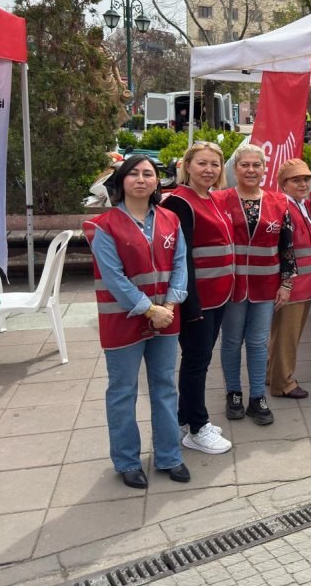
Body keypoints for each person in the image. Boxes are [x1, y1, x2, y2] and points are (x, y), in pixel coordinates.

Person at [83, 155, 190, 489]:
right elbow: (113, 278)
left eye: (148, 174)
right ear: (122, 181)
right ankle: (127, 461)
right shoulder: (104, 225)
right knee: (123, 391)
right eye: (134, 174)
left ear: (157, 181)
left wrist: (170, 304)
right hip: (123, 319)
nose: (141, 179)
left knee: (164, 387)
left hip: (166, 317)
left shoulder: (171, 219)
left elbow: (181, 264)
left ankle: (169, 456)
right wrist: (149, 310)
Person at [213, 145, 294, 424]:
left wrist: (286, 283)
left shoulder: (279, 202)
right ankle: (233, 393)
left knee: (259, 342)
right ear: (235, 169)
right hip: (231, 286)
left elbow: (287, 246)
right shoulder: (219, 200)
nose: (250, 170)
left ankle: (257, 396)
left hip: (266, 285)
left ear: (264, 169)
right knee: (232, 341)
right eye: (244, 165)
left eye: (256, 165)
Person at [163, 141, 235, 454]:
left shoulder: (212, 198)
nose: (209, 170)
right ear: (188, 166)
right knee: (196, 362)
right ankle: (197, 427)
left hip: (218, 295)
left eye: (215, 164)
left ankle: (185, 416)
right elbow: (182, 258)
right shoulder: (180, 202)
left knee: (200, 360)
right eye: (202, 163)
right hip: (198, 299)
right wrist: (190, 305)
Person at [268, 159, 311, 394]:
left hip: (305, 284)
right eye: (296, 180)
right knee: (286, 338)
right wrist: (285, 283)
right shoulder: (282, 207)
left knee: (284, 335)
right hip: (292, 286)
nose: (303, 184)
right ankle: (283, 384)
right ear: (283, 184)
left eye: (306, 179)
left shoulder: (303, 204)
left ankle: (272, 375)